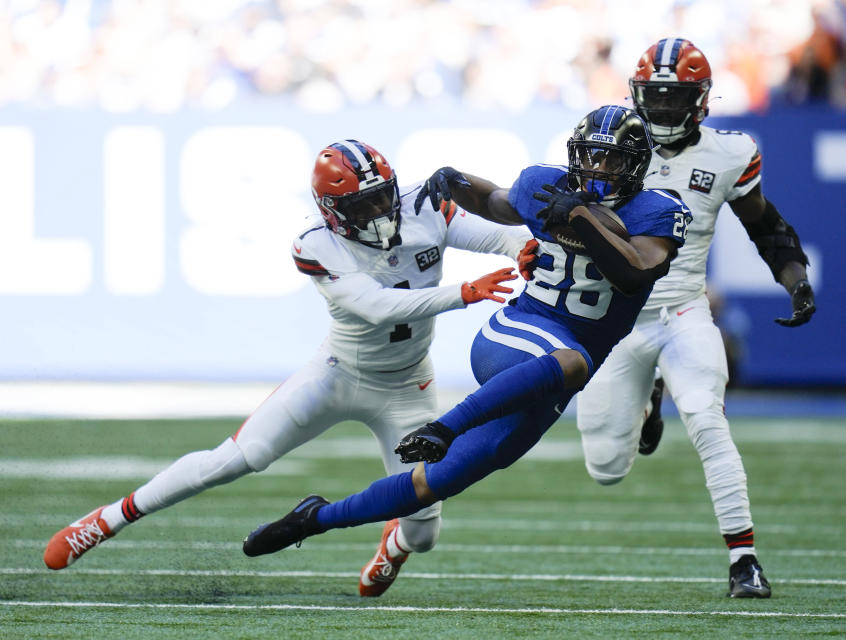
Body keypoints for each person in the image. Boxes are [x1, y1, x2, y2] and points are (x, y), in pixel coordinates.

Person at [43, 139, 534, 598]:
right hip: (338, 374)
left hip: (409, 385)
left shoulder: (423, 205)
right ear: (333, 212)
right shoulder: (315, 243)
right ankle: (107, 519)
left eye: (382, 199)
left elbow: (497, 236)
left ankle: (395, 544)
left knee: (423, 532)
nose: (380, 213)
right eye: (362, 207)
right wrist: (462, 293)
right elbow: (376, 305)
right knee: (237, 459)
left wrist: (521, 250)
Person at [239, 107, 693, 578]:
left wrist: (580, 217)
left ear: (635, 164)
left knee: (434, 483)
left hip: (551, 369)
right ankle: (444, 427)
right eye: (588, 156)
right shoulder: (547, 183)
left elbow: (635, 272)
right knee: (572, 363)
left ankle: (314, 518)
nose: (595, 170)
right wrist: (456, 182)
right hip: (516, 334)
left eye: (610, 161)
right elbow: (496, 202)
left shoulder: (659, 210)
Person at [568, 39, 816, 599]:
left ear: (700, 100)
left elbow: (765, 224)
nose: (658, 110)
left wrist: (795, 278)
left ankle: (744, 559)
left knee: (707, 416)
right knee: (606, 467)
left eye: (671, 98)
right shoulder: (612, 144)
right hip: (617, 322)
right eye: (651, 97)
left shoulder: (729, 153)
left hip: (683, 311)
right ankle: (650, 397)